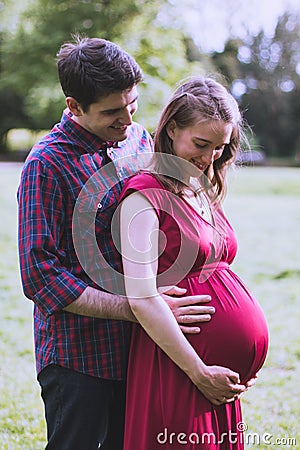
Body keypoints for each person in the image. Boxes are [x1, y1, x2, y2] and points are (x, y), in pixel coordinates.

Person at [17, 37, 218, 450]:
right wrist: (137, 308)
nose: (127, 120)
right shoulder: (46, 164)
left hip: (142, 353)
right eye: (111, 112)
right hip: (79, 359)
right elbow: (41, 278)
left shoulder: (139, 140)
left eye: (132, 104)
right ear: (74, 106)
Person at [119, 76, 269, 449]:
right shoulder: (143, 196)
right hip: (178, 365)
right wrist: (199, 372)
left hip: (214, 377)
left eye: (219, 147)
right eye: (201, 144)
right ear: (171, 129)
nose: (209, 158)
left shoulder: (199, 186)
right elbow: (141, 296)